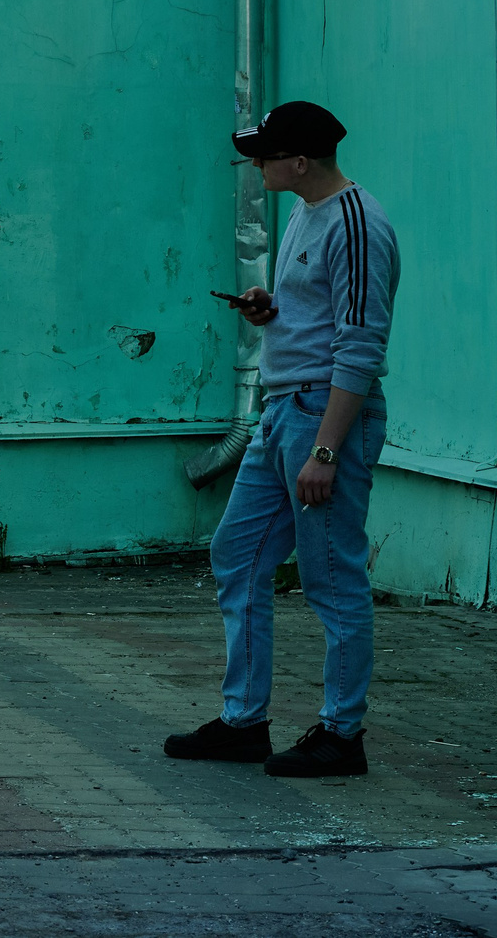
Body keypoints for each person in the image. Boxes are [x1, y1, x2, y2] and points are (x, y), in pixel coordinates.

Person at [165, 101, 398, 779]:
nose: (255, 165)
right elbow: (318, 313)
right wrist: (270, 309)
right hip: (281, 412)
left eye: (264, 156)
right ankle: (244, 723)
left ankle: (342, 735)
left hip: (323, 415)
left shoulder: (356, 222)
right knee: (236, 553)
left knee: (331, 576)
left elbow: (360, 345)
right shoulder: (304, 211)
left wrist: (326, 450)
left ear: (300, 161)